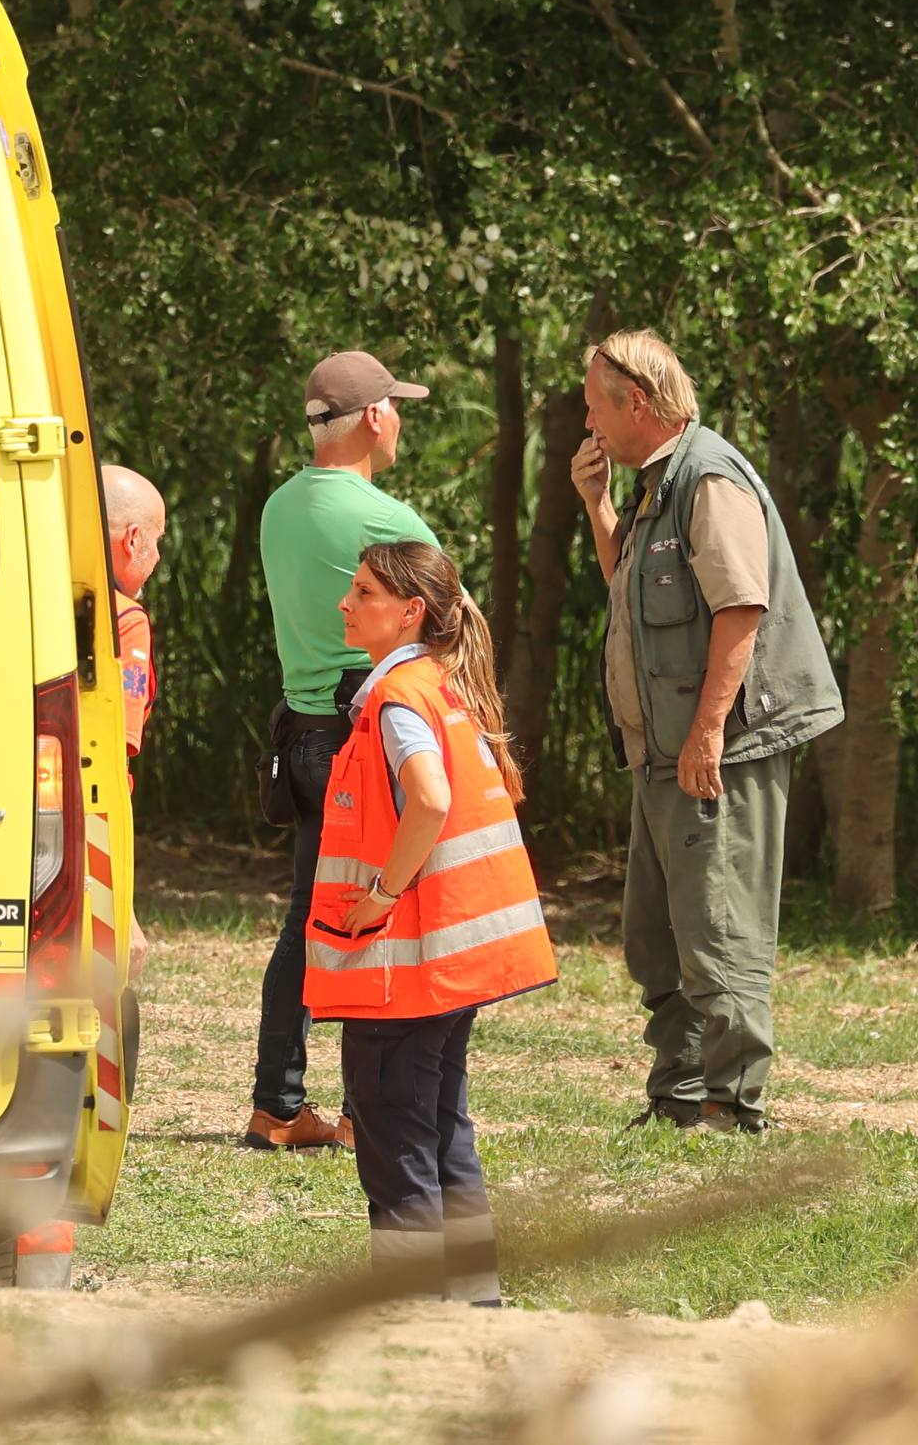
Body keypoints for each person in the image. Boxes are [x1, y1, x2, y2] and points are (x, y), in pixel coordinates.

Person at [571, 331, 842, 1136]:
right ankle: (681, 1096)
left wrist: (706, 734)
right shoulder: (655, 484)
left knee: (719, 930)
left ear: (637, 404)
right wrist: (598, 505)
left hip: (719, 749)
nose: (588, 424)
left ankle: (731, 1105)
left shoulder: (709, 478)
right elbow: (630, 589)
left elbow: (741, 608)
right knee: (657, 936)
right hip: (661, 748)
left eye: (593, 408)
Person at [305, 541, 556, 1302]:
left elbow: (432, 799)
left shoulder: (398, 698)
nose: (347, 604)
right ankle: (475, 1300)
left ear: (411, 611)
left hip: (403, 970)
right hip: (451, 963)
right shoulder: (445, 685)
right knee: (445, 1131)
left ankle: (414, 1315)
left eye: (365, 593)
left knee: (397, 1143)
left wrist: (382, 893)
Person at [248, 350, 438, 1151]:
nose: (399, 420)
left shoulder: (278, 507)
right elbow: (452, 624)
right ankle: (369, 1114)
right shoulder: (389, 523)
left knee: (307, 922)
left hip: (301, 738)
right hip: (367, 742)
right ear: (374, 417)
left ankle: (277, 1106)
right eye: (396, 406)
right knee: (380, 919)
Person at [102, 465, 166, 779]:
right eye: (156, 541)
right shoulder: (126, 620)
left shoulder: (35, 601)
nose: (157, 556)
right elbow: (116, 739)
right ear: (133, 539)